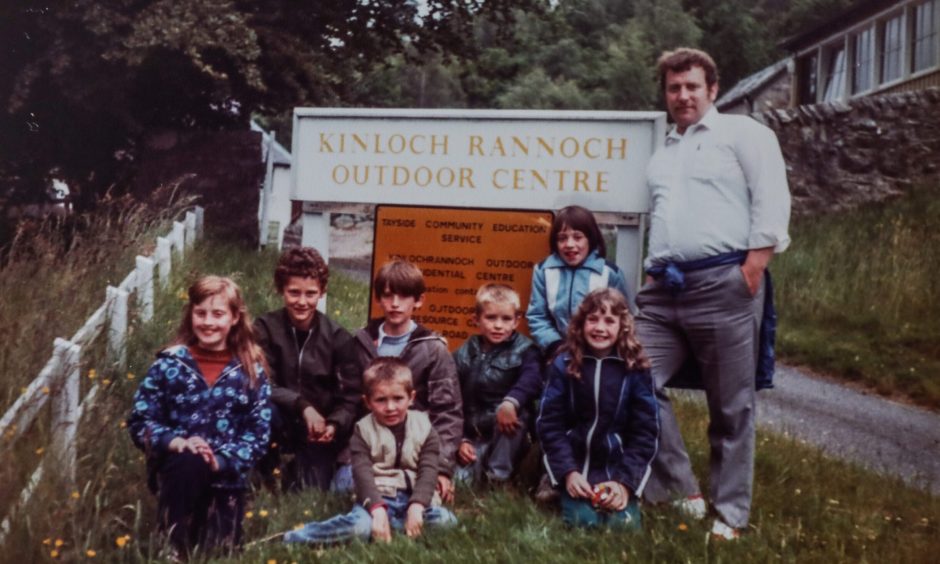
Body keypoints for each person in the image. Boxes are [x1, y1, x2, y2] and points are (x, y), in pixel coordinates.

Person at [637, 48, 791, 540]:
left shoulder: (744, 135)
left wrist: (753, 268)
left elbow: (772, 198)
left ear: (713, 90)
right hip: (663, 290)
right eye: (674, 88)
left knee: (731, 406)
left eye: (691, 87)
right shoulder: (663, 153)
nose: (682, 96)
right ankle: (682, 488)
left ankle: (729, 516)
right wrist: (651, 273)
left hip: (723, 282)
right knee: (632, 377)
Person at [127, 276, 272, 557]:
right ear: (190, 314)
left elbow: (258, 433)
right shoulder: (169, 364)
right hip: (177, 474)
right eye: (201, 313)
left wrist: (219, 460)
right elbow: (140, 421)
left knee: (217, 553)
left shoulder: (250, 371)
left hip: (225, 479)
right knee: (188, 468)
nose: (208, 322)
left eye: (218, 314)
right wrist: (176, 442)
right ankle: (171, 547)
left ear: (234, 318)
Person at [284, 357, 458, 544]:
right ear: (367, 402)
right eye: (381, 400)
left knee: (446, 521)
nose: (390, 407)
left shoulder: (424, 427)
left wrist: (417, 505)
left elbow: (428, 470)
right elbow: (362, 474)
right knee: (359, 527)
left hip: (415, 498)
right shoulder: (362, 431)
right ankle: (297, 537)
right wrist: (376, 507)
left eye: (398, 398)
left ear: (411, 398)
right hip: (377, 496)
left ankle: (398, 525)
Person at [536, 288, 659, 530]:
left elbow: (646, 432)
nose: (600, 328)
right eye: (592, 319)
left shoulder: (636, 368)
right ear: (580, 324)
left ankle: (626, 494)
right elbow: (549, 424)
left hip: (617, 466)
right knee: (583, 523)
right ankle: (553, 485)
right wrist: (568, 472)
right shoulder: (564, 364)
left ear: (623, 326)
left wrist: (625, 483)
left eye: (609, 321)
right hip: (575, 463)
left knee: (624, 528)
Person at [351, 259, 463, 503]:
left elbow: (448, 412)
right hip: (372, 446)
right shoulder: (361, 343)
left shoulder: (432, 349)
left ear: (419, 300)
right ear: (378, 299)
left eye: (403, 296)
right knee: (343, 485)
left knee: (441, 488)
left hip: (417, 448)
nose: (395, 304)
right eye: (388, 296)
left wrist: (442, 467)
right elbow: (349, 400)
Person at [254, 247, 363, 492]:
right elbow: (260, 383)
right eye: (294, 292)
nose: (302, 302)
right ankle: (264, 470)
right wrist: (302, 405)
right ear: (281, 289)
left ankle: (301, 468)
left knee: (309, 489)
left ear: (322, 292)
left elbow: (351, 397)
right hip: (279, 421)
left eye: (311, 294)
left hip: (318, 431)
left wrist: (334, 424)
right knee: (263, 410)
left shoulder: (338, 338)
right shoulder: (264, 328)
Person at [453, 284, 542, 485]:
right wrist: (460, 439)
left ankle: (499, 478)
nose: (498, 325)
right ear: (476, 319)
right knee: (461, 483)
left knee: (517, 418)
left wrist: (511, 402)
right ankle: (476, 469)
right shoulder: (465, 352)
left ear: (516, 321)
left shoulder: (526, 351)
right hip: (473, 432)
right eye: (491, 318)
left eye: (506, 319)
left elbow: (532, 380)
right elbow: (450, 398)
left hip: (504, 430)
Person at [526, 205, 632, 358]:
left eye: (577, 237)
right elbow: (537, 316)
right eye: (562, 238)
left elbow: (623, 318)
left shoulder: (609, 273)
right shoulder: (544, 270)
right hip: (557, 352)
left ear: (590, 239)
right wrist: (555, 345)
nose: (569, 244)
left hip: (598, 353)